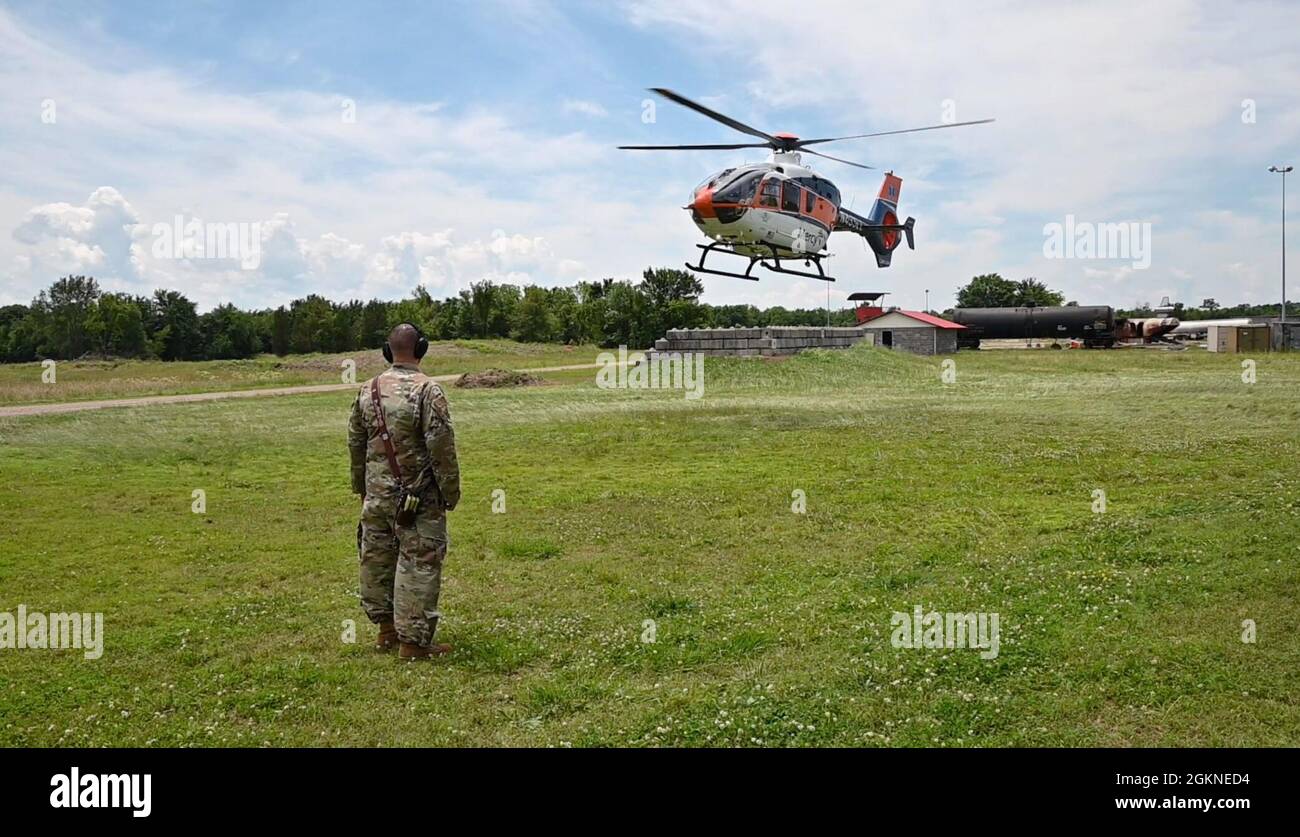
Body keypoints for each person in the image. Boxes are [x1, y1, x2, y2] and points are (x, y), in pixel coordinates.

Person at [347, 323, 460, 661]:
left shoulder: (368, 390)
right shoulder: (429, 391)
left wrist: (361, 488)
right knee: (418, 563)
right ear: (421, 348)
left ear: (387, 351)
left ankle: (386, 632)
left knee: (378, 559)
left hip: (378, 496)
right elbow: (441, 446)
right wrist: (449, 492)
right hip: (418, 498)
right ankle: (412, 644)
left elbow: (355, 441)